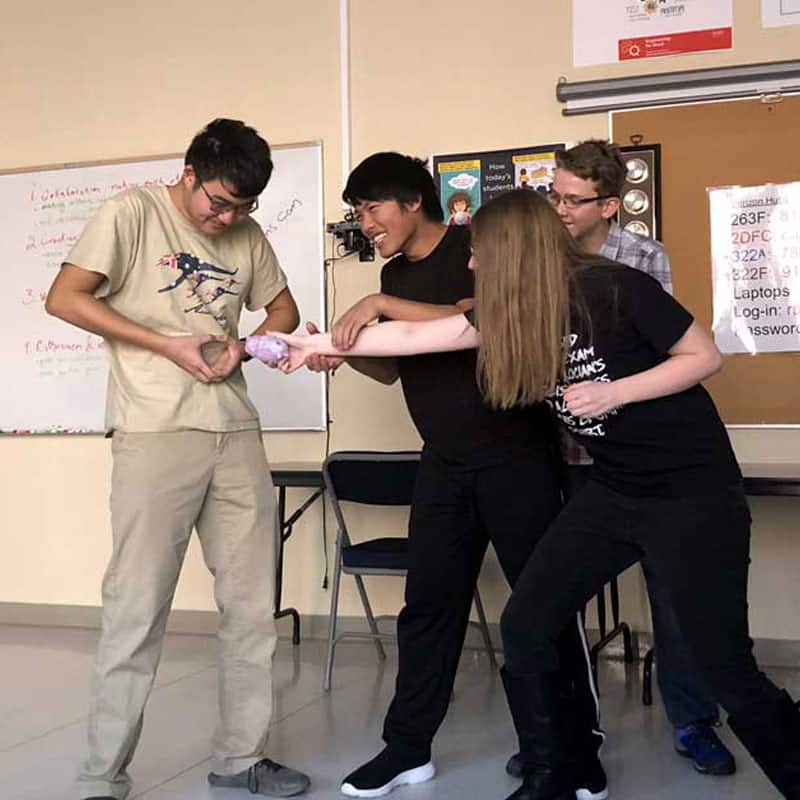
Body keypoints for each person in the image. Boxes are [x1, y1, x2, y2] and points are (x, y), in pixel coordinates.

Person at [274, 188, 800, 800]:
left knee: (726, 670)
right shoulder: (515, 311)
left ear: (516, 250)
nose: (471, 265)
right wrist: (312, 346)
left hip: (691, 497)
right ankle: (555, 771)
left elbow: (703, 355)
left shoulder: (615, 288)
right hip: (615, 492)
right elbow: (417, 340)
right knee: (526, 621)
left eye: (482, 254)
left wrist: (616, 392)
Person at [303, 153, 604, 799]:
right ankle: (407, 749)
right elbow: (393, 368)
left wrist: (382, 304)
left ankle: (568, 751)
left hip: (517, 456)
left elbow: (482, 313)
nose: (366, 223)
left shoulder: (478, 244)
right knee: (427, 611)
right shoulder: (391, 270)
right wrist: (343, 353)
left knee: (541, 609)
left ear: (413, 200)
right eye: (357, 213)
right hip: (442, 464)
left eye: (372, 208)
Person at [45, 119, 310, 800]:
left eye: (242, 208)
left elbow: (283, 309)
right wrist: (167, 344)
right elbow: (65, 297)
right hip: (154, 430)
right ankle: (102, 776)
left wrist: (246, 347)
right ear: (189, 172)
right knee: (136, 609)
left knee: (252, 606)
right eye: (217, 203)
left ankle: (240, 757)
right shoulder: (130, 213)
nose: (227, 219)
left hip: (235, 431)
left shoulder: (246, 233)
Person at [538, 139, 735, 777]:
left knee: (673, 592)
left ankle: (693, 720)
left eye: (572, 200)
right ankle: (564, 727)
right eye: (554, 195)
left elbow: (671, 357)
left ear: (609, 205)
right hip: (569, 454)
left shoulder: (643, 260)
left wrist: (608, 394)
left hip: (644, 458)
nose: (560, 209)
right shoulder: (543, 261)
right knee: (554, 591)